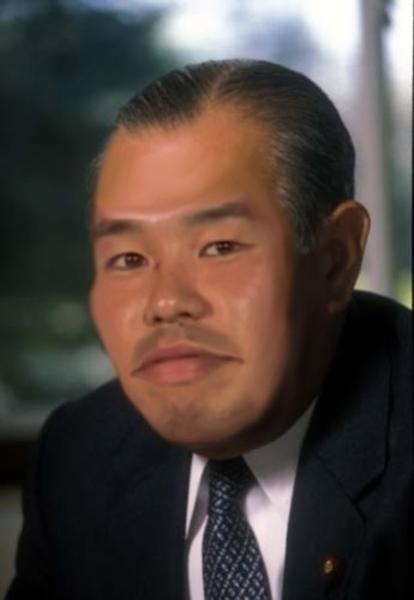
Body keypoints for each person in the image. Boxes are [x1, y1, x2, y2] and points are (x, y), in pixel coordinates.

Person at [7, 59, 412, 600]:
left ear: (335, 259)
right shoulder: (80, 456)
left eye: (219, 247)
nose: (165, 302)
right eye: (129, 258)